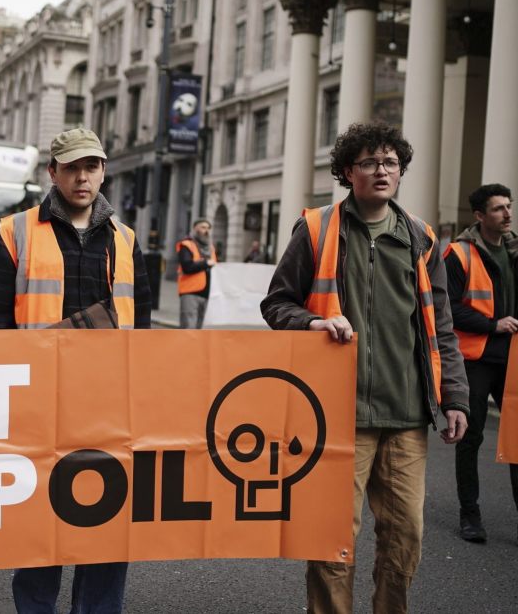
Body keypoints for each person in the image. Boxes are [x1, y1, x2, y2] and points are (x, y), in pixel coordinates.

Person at [261, 121, 469, 613]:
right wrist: (311, 321)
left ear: (400, 171)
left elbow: (440, 327)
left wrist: (455, 397)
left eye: (391, 163)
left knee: (405, 539)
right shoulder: (316, 228)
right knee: (332, 539)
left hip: (406, 416)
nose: (382, 171)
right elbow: (276, 305)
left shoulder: (419, 236)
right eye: (370, 162)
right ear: (347, 171)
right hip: (336, 415)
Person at [0, 128, 152, 613]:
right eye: (72, 167)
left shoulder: (126, 239)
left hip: (108, 407)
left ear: (103, 171)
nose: (83, 177)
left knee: (108, 526)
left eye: (92, 167)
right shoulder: (15, 231)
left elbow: (143, 334)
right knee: (40, 528)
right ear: (52, 173)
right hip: (39, 404)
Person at [444, 183, 518, 542]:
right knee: (470, 438)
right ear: (479, 216)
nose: (507, 214)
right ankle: (469, 516)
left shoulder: (516, 250)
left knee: (517, 439)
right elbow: (448, 308)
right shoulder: (458, 254)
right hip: (474, 360)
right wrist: (493, 324)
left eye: (509, 207)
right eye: (498, 209)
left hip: (513, 359)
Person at [176, 217, 216, 328]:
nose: (206, 231)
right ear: (195, 229)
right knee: (188, 329)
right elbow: (187, 267)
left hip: (207, 294)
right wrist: (205, 263)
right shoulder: (187, 245)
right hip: (190, 293)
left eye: (208, 228)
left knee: (201, 331)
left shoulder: (211, 248)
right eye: (203, 227)